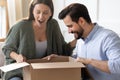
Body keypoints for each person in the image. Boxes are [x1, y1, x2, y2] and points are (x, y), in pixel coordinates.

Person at [2, 0, 76, 80]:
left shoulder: (53, 25)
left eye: (45, 13)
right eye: (38, 12)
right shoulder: (20, 26)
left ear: (51, 13)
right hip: (19, 72)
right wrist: (17, 57)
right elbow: (7, 48)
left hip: (43, 71)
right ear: (32, 11)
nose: (41, 17)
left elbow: (63, 49)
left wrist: (77, 40)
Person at [58, 3, 120, 80]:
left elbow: (118, 65)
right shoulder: (80, 40)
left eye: (70, 26)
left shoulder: (108, 37)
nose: (69, 31)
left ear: (81, 21)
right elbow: (77, 58)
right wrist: (58, 59)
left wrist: (89, 61)